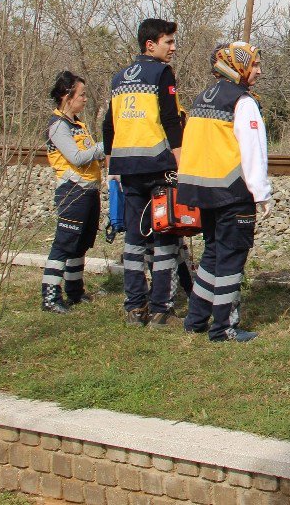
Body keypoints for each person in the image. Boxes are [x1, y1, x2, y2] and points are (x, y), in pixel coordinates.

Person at [178, 41, 271, 343]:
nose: (258, 70)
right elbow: (253, 152)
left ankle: (195, 319)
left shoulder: (201, 97)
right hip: (233, 192)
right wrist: (261, 193)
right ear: (237, 65)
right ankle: (223, 327)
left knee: (213, 255)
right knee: (232, 259)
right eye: (254, 64)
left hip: (204, 191)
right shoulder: (242, 102)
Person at [103, 18, 184, 327]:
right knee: (165, 236)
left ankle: (134, 307)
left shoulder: (119, 78)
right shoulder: (161, 73)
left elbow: (108, 125)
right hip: (158, 166)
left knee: (135, 239)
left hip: (127, 168)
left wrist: (111, 167)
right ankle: (162, 308)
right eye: (169, 42)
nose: (173, 48)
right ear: (151, 45)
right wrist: (179, 162)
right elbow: (170, 120)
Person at [42, 71, 105, 313]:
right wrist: (104, 146)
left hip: (89, 191)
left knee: (80, 244)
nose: (85, 99)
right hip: (73, 191)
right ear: (67, 96)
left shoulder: (77, 123)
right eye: (82, 94)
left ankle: (75, 291)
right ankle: (50, 297)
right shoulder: (58, 126)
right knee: (64, 244)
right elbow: (76, 157)